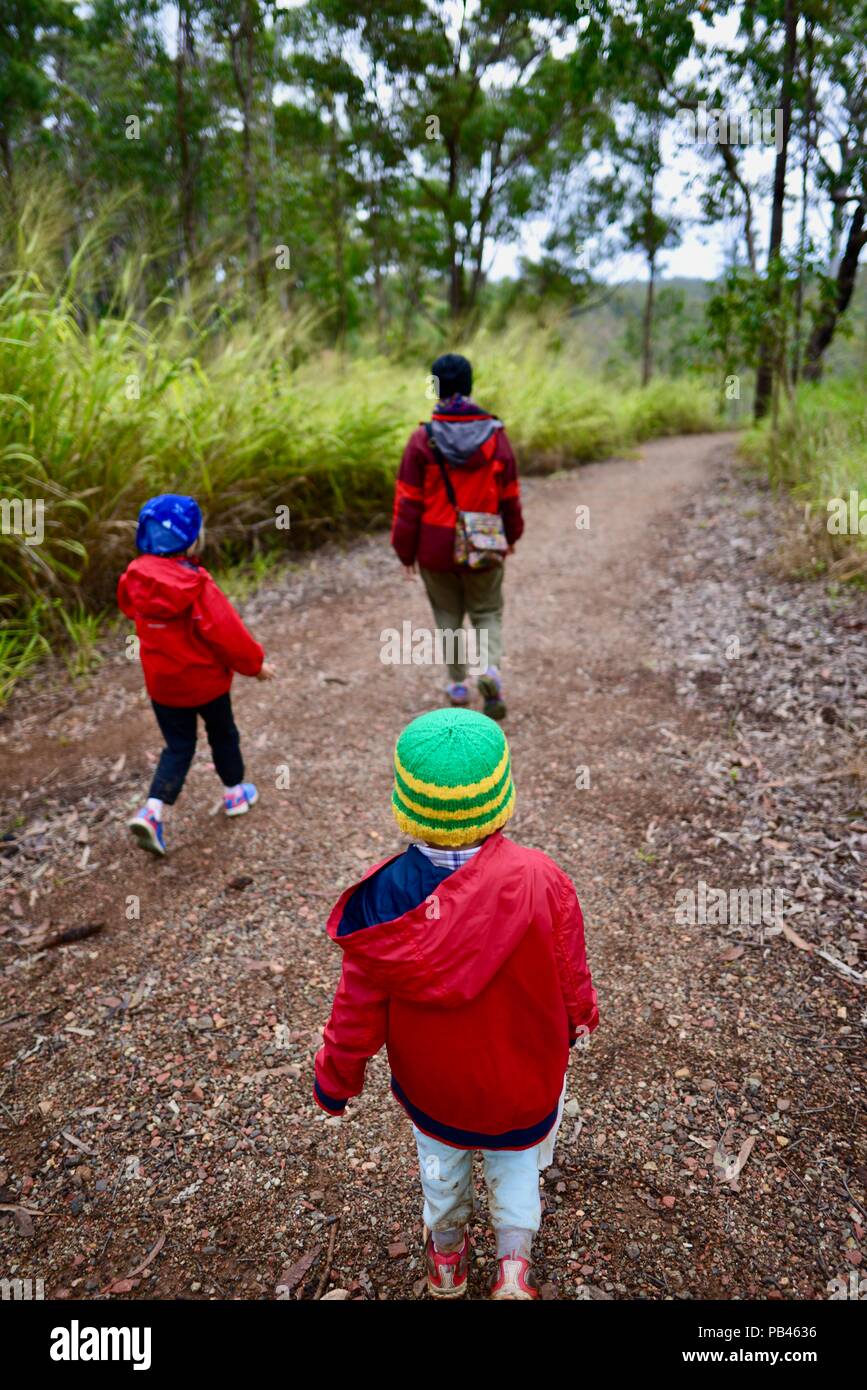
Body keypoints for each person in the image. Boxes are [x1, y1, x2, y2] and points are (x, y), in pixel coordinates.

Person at [313, 707, 598, 1299]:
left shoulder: (384, 897)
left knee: (441, 1171)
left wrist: (335, 1081)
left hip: (434, 1083)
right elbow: (570, 969)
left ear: (408, 804)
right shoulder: (541, 878)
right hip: (522, 1076)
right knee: (517, 1165)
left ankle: (447, 1262)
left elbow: (356, 1010)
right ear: (498, 797)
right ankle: (513, 1270)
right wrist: (578, 1021)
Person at [117, 493, 274, 856]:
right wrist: (255, 666)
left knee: (178, 746)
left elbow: (128, 606)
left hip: (163, 687)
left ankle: (152, 810)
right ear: (191, 537)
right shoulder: (196, 586)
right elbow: (227, 633)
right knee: (223, 734)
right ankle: (235, 794)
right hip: (207, 685)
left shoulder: (134, 577)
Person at [391, 354, 523, 720]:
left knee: (448, 614)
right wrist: (511, 534)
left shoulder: (422, 440)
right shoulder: (495, 436)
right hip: (484, 542)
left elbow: (407, 501)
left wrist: (405, 552)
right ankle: (490, 670)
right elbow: (510, 492)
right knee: (487, 611)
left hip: (435, 546)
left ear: (434, 387)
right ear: (469, 385)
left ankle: (458, 685)